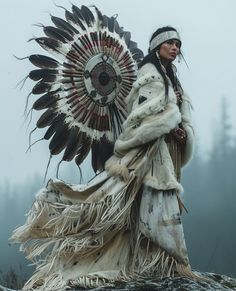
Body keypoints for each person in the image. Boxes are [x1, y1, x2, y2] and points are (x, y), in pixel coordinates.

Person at [12, 26, 196, 290]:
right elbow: (140, 116)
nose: (175, 48)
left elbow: (165, 113)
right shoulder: (149, 75)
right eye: (170, 43)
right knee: (156, 201)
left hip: (163, 151)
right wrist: (167, 123)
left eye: (178, 43)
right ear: (158, 47)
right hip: (148, 155)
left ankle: (152, 264)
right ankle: (171, 264)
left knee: (141, 209)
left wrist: (180, 131)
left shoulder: (170, 78)